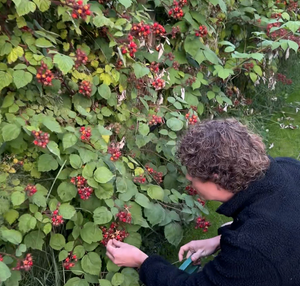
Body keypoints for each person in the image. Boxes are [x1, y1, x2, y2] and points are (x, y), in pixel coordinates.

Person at [106, 118, 300, 286]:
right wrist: (221, 240)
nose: (188, 178)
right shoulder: (289, 169)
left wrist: (143, 262)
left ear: (216, 178)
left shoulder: (249, 251)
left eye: (192, 175)